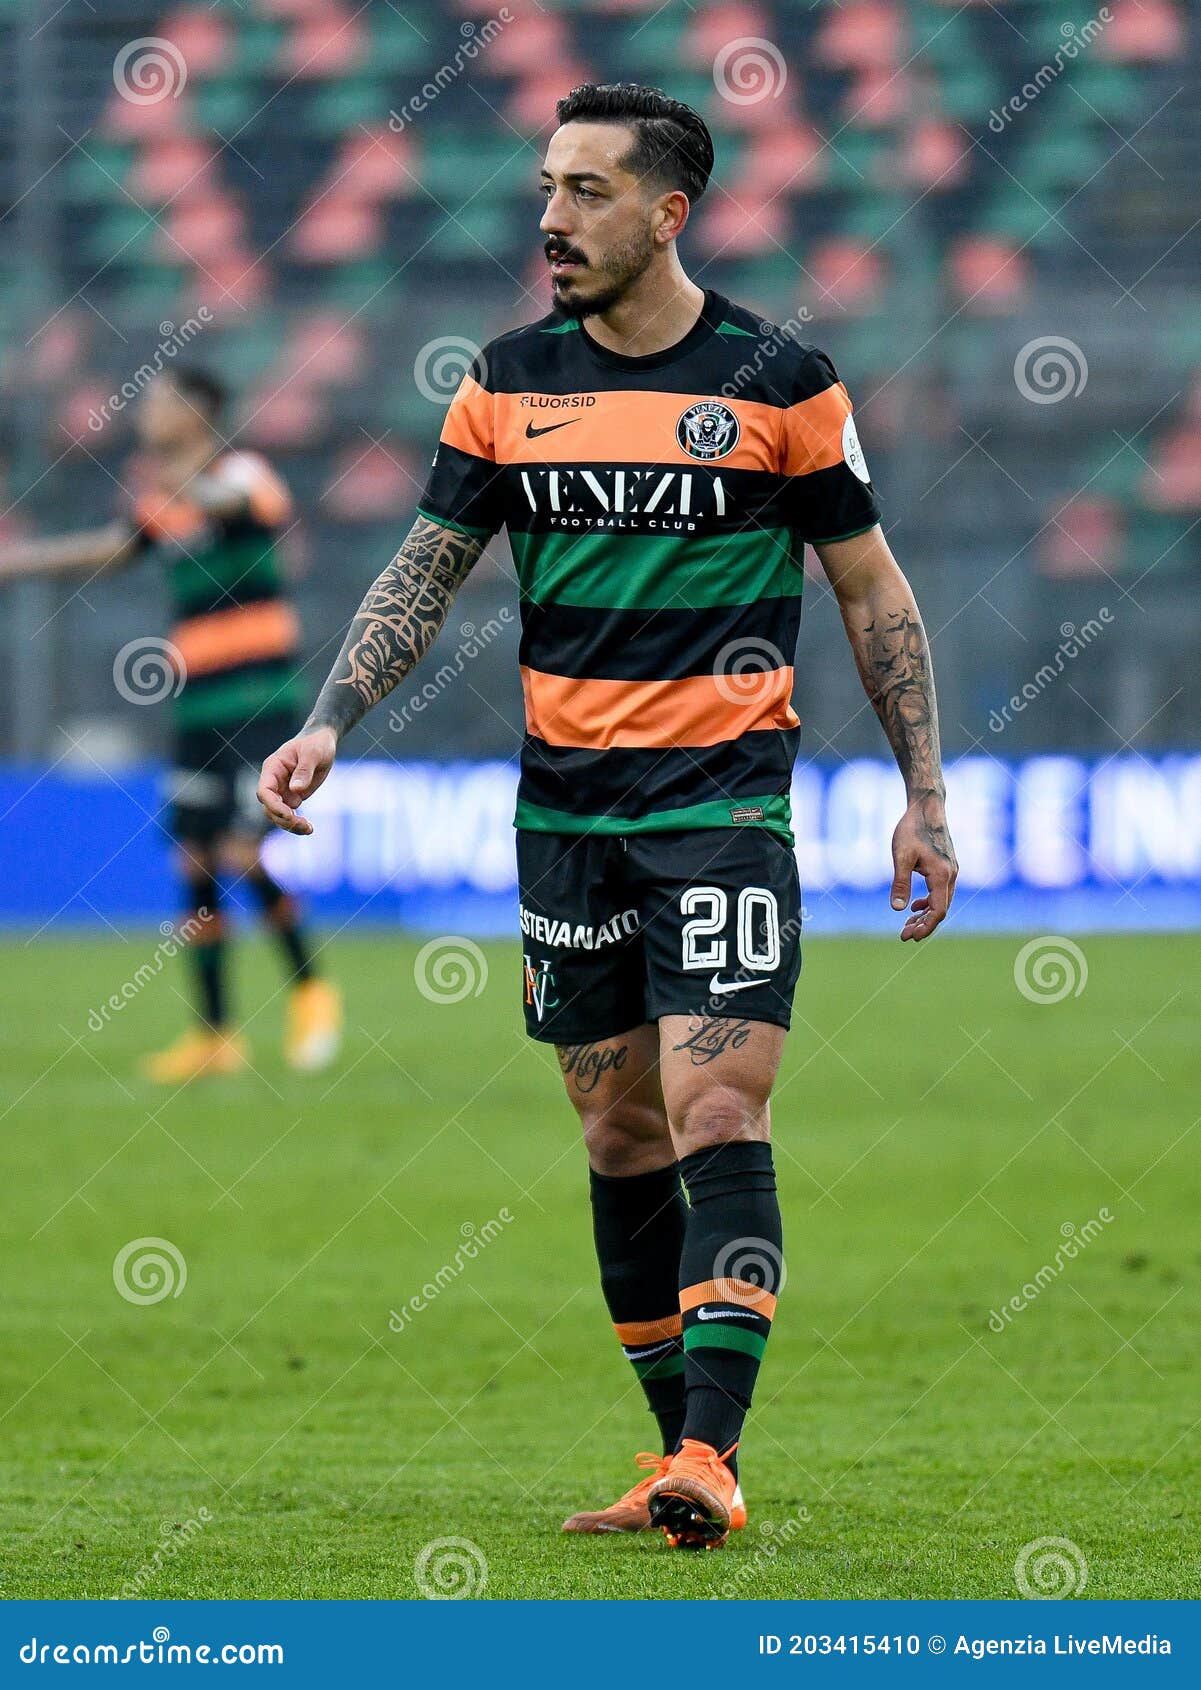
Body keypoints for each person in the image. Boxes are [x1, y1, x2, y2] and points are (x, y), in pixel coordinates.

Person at [257, 83, 957, 1550]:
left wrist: (923, 794)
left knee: (716, 1104)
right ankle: (672, 1458)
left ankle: (713, 1448)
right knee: (616, 1129)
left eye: (583, 191)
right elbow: (426, 567)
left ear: (668, 212)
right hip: (564, 814)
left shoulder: (779, 379)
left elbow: (870, 587)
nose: (549, 219)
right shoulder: (507, 377)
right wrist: (329, 716)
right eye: (545, 187)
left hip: (719, 807)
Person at [0, 367, 342, 1081]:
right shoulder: (169, 498)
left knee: (242, 854)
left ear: (198, 412)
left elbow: (229, 502)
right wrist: (16, 562)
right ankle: (216, 1036)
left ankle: (311, 990)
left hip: (262, 703)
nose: (147, 413)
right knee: (193, 861)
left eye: (160, 403)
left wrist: (173, 464)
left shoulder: (242, 474)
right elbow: (108, 549)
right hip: (196, 705)